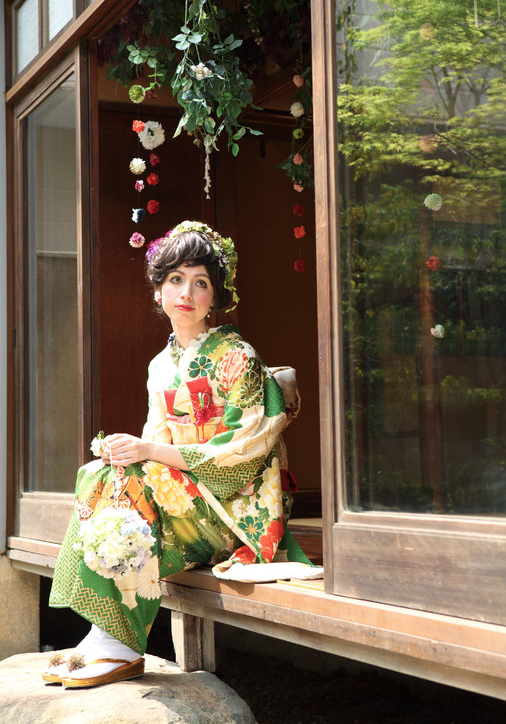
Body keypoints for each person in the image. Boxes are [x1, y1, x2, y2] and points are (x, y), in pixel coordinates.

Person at [42, 221, 319, 689]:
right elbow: (155, 440)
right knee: (99, 475)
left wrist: (147, 451)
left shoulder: (238, 356)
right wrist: (129, 452)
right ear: (157, 291)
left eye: (201, 283)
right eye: (175, 279)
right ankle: (107, 629)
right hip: (186, 493)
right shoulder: (160, 365)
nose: (186, 293)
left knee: (132, 484)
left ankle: (122, 642)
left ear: (216, 296)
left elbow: (244, 448)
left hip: (236, 502)